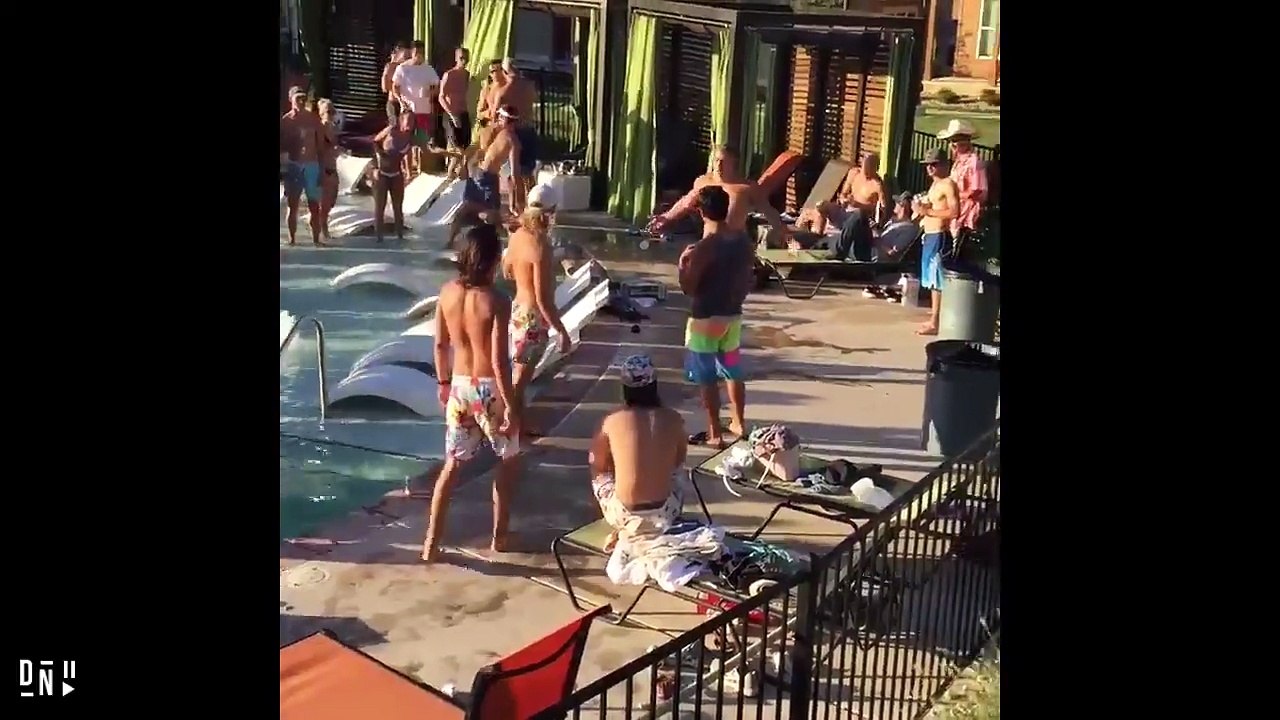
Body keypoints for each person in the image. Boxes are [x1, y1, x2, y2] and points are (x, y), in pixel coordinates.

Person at [425, 224, 522, 562]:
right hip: (488, 388)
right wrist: (512, 406)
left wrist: (443, 383)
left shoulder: (446, 292)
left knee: (451, 468)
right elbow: (498, 361)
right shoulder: (497, 299)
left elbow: (440, 344)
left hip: (460, 387)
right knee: (506, 462)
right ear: (493, 259)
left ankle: (430, 544)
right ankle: (500, 537)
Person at [677, 186, 754, 449]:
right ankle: (739, 423)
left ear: (700, 212)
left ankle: (715, 433)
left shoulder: (704, 247)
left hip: (705, 321)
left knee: (706, 375)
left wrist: (683, 265)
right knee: (732, 368)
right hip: (732, 319)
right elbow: (748, 278)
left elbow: (689, 287)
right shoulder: (743, 241)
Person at [589, 354, 688, 551]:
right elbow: (678, 461)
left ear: (625, 389)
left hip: (625, 512)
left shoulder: (612, 420)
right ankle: (647, 526)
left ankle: (620, 526)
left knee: (600, 471)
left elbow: (597, 463)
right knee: (676, 471)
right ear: (654, 385)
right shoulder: (674, 418)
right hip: (667, 511)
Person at [503, 182, 571, 439]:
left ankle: (518, 422)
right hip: (533, 319)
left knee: (519, 376)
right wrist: (561, 331)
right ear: (549, 213)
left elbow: (507, 271)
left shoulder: (517, 236)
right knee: (520, 381)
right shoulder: (541, 245)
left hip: (518, 312)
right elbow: (543, 298)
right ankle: (513, 426)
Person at [648, 146, 789, 245]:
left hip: (734, 243)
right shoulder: (703, 182)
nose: (719, 166)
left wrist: (789, 239)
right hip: (708, 241)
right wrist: (666, 218)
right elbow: (686, 203)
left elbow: (770, 213)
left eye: (723, 162)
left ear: (734, 164)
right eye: (716, 161)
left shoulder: (746, 188)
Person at [797, 153, 886, 260]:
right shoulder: (854, 173)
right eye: (864, 167)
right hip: (845, 210)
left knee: (858, 215)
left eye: (870, 168)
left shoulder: (877, 185)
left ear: (876, 167)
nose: (866, 171)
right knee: (822, 205)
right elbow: (843, 193)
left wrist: (858, 204)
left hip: (859, 217)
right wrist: (844, 199)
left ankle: (838, 250)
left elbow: (879, 210)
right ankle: (817, 238)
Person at [914, 148, 959, 335]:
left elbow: (954, 212)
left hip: (940, 235)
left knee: (937, 279)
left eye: (934, 164)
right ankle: (934, 317)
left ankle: (935, 321)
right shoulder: (934, 186)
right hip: (930, 235)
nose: (930, 169)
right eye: (928, 165)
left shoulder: (948, 184)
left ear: (943, 165)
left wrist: (929, 212)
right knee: (931, 280)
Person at [490, 58, 538, 211]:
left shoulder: (503, 91)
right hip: (529, 129)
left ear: (505, 73)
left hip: (513, 131)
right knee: (528, 173)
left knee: (513, 174)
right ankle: (532, 205)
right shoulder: (530, 86)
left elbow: (494, 116)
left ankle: (514, 206)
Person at [280, 86, 325, 246]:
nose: (301, 101)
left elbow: (320, 145)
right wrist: (283, 170)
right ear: (290, 99)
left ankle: (316, 239)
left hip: (312, 164)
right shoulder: (286, 121)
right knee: (293, 205)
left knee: (314, 205)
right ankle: (292, 239)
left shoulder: (313, 119)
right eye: (297, 98)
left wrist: (323, 168)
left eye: (303, 98)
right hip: (294, 165)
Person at [937, 119, 988, 253]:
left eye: (955, 141)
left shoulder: (974, 163)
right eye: (951, 141)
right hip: (954, 210)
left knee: (958, 248)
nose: (952, 145)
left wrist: (953, 195)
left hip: (966, 214)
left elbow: (976, 190)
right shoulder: (957, 163)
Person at [462, 106, 521, 222]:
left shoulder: (495, 132)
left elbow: (480, 150)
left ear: (504, 119)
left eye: (500, 117)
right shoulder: (512, 140)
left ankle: (453, 237)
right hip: (487, 175)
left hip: (476, 171)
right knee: (492, 213)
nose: (497, 119)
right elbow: (514, 175)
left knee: (469, 209)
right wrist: (515, 203)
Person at [391, 40, 440, 176]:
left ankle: (420, 169)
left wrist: (429, 93)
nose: (419, 56)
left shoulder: (428, 69)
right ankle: (408, 171)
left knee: (422, 141)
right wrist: (401, 101)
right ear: (411, 52)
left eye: (422, 53)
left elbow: (437, 86)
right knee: (407, 142)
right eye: (417, 52)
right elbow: (395, 87)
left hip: (423, 110)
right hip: (408, 111)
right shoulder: (403, 68)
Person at [863, 191, 920, 299]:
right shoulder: (892, 222)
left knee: (858, 217)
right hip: (871, 251)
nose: (895, 205)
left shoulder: (909, 228)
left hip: (879, 257)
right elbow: (882, 238)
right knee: (860, 221)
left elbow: (892, 252)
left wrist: (876, 239)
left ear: (903, 207)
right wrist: (875, 230)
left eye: (897, 203)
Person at [371, 111, 415, 244]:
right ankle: (379, 238)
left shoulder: (411, 138)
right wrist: (379, 158)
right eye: (408, 120)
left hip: (396, 173)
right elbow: (374, 142)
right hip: (382, 172)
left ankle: (400, 238)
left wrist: (409, 172)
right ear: (401, 120)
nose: (410, 124)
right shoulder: (391, 131)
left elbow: (409, 155)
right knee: (380, 206)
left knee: (398, 207)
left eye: (413, 121)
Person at [438, 47, 473, 171]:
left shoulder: (466, 74)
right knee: (457, 146)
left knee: (465, 144)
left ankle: (456, 170)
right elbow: (441, 97)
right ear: (456, 58)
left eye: (466, 59)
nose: (464, 61)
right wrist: (452, 114)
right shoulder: (449, 74)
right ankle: (451, 172)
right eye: (461, 58)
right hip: (451, 113)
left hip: (463, 112)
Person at [316, 99, 341, 243]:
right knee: (324, 204)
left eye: (333, 111)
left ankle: (321, 228)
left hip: (332, 167)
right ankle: (323, 232)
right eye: (328, 111)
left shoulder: (332, 127)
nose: (331, 114)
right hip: (323, 168)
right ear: (321, 113)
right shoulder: (321, 128)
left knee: (331, 202)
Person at [381, 41, 410, 127]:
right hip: (394, 103)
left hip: (408, 104)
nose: (407, 58)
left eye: (409, 56)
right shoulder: (391, 66)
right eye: (406, 56)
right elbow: (385, 88)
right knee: (394, 127)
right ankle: (377, 139)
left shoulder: (413, 68)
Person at [475, 59, 506, 123]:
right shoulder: (487, 90)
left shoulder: (509, 87)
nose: (496, 73)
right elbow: (479, 113)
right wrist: (490, 113)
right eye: (493, 71)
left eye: (501, 69)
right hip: (492, 125)